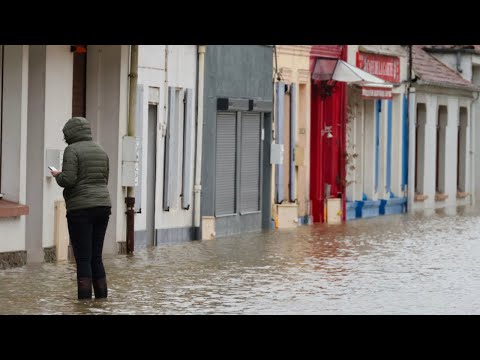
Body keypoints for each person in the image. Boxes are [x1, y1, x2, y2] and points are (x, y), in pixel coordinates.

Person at [51, 117, 112, 300]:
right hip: (103, 206)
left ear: (70, 133)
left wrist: (57, 175)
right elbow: (103, 179)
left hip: (81, 209)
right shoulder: (100, 149)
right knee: (96, 257)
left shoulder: (72, 150)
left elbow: (68, 180)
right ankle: (101, 302)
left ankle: (84, 304)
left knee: (83, 258)